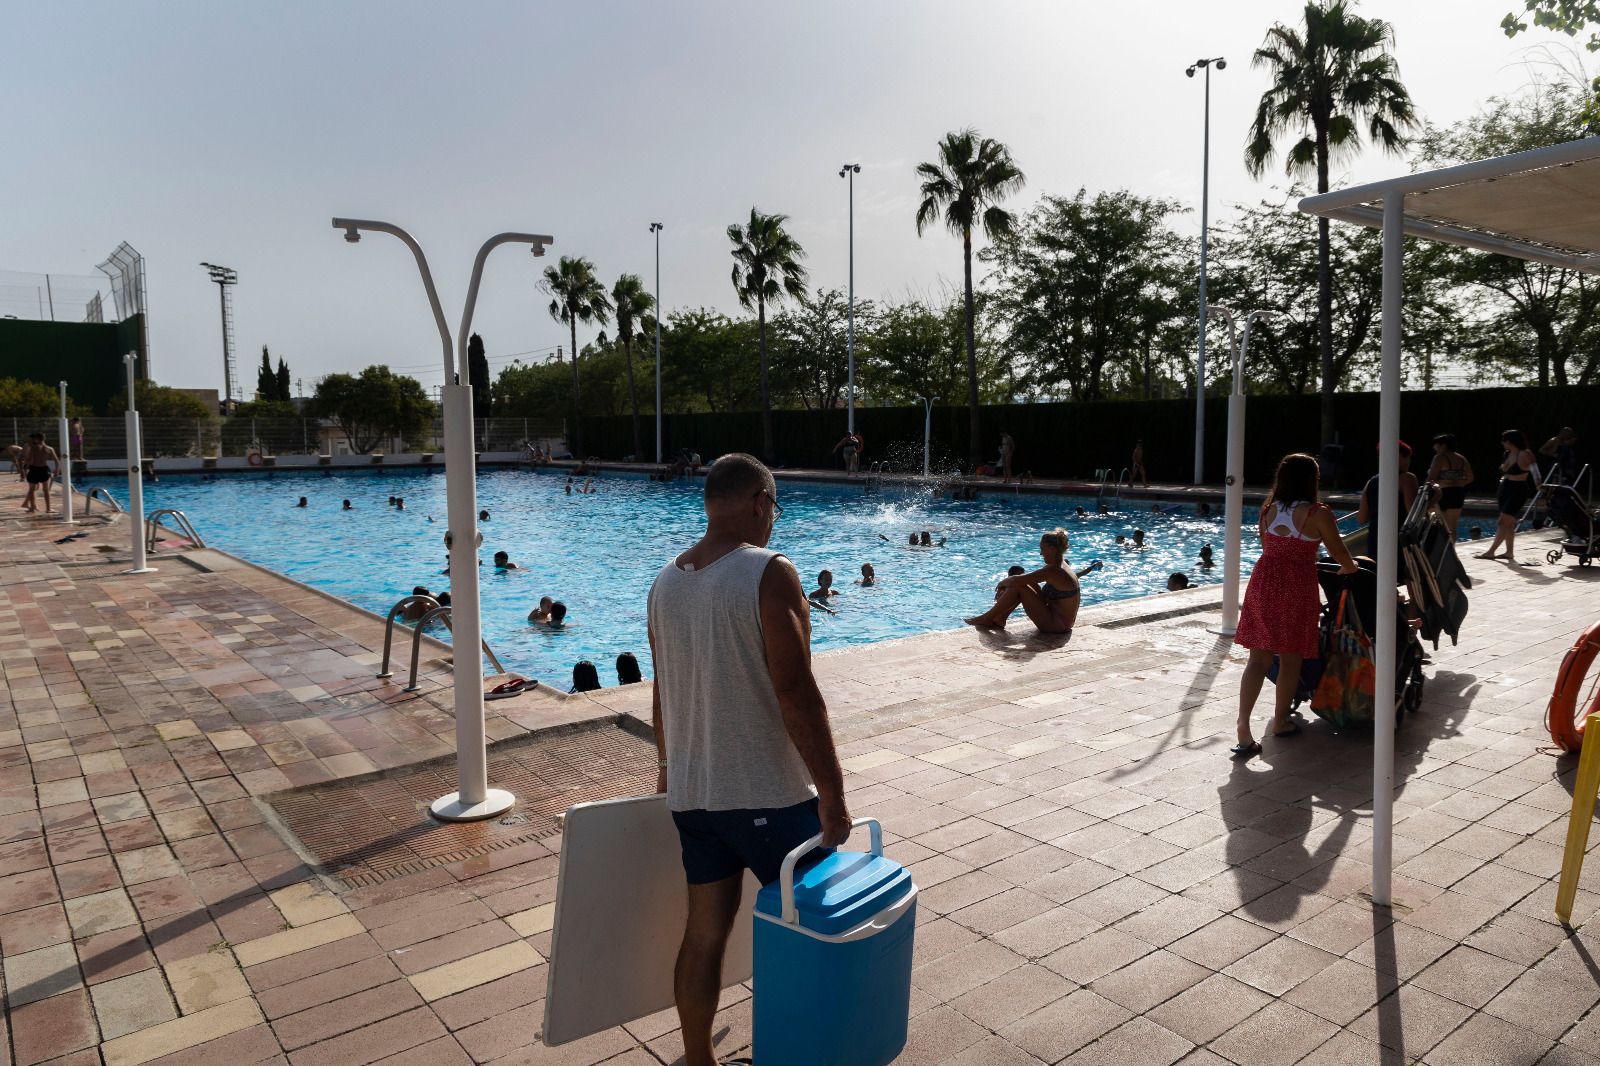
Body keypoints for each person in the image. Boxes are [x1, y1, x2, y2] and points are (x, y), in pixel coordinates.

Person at [647, 452, 850, 1066]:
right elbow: (796, 693)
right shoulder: (768, 571)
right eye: (775, 507)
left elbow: (661, 695)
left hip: (695, 797)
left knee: (704, 934)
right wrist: (833, 797)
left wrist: (669, 770)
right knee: (816, 929)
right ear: (761, 502)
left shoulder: (665, 581)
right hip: (769, 796)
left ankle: (697, 1059)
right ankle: (811, 1051)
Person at [1231, 453, 1359, 758]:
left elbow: (1268, 546)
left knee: (1257, 660)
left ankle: (1243, 726)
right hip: (1296, 587)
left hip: (1263, 582)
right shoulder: (1317, 513)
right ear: (1311, 480)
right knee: (1291, 658)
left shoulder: (1268, 509)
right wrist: (1349, 568)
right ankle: (1280, 720)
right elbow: (1339, 552)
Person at [965, 528, 1080, 634]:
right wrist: (1015, 582)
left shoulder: (1053, 570)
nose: (1041, 553)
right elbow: (1028, 580)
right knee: (1022, 582)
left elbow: (1015, 580)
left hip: (1056, 625)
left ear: (1052, 549)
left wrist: (1001, 584)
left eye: (1042, 549)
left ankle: (987, 618)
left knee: (1018, 586)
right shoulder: (1061, 565)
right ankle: (1000, 619)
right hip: (1062, 622)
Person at [1481, 429, 1537, 562]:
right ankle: (1509, 552)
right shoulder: (1507, 453)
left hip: (1518, 489)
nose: (1502, 443)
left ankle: (1491, 552)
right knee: (1509, 523)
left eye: (1504, 441)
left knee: (1502, 521)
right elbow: (1504, 469)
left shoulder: (1525, 453)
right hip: (1505, 487)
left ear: (1510, 441)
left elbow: (1535, 470)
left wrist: (1539, 484)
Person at [1357, 441, 1419, 534]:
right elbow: (1413, 515)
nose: (1408, 461)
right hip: (1399, 538)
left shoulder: (1370, 482)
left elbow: (1362, 519)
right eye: (1407, 457)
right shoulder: (1407, 479)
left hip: (1375, 539)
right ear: (1398, 456)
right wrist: (1432, 500)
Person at [1426, 434, 1474, 538]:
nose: (1434, 448)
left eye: (1436, 445)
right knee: (1452, 527)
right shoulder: (1462, 459)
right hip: (1458, 492)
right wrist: (1459, 483)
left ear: (1443, 445)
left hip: (1443, 493)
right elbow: (1470, 477)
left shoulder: (1439, 458)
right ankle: (1451, 549)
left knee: (1439, 525)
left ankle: (1440, 551)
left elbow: (1431, 478)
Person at [20, 433, 58, 513]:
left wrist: (25, 467)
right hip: (43, 469)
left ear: (37, 439)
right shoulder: (49, 449)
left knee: (32, 489)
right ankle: (48, 509)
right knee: (46, 490)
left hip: (34, 469)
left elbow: (29, 459)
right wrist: (56, 470)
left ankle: (32, 508)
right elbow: (56, 460)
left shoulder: (33, 448)